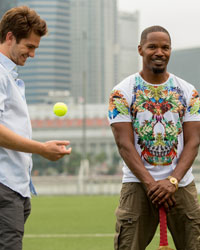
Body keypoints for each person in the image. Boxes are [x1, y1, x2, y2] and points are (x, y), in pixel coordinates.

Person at [108, 25, 200, 250]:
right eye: (152, 47)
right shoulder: (121, 92)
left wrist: (172, 181)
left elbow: (193, 141)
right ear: (140, 50)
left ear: (170, 51)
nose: (159, 52)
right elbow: (125, 144)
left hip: (181, 184)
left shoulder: (188, 91)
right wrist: (151, 185)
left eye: (165, 47)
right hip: (137, 184)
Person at [0, 6, 72, 250]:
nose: (32, 54)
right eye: (29, 47)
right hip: (4, 186)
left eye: (35, 48)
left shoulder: (10, 75)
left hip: (16, 187)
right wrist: (41, 148)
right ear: (10, 37)